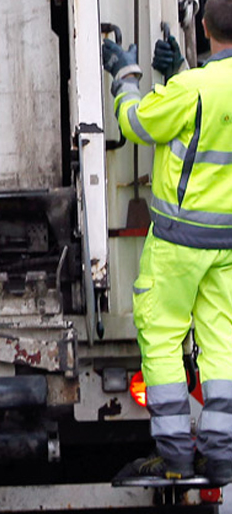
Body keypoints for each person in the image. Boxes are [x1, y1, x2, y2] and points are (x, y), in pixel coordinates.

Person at [103, 1, 232, 487]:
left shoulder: (190, 89)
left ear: (203, 27)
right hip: (228, 244)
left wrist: (125, 77)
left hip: (179, 242)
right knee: (222, 345)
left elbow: (137, 123)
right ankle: (220, 456)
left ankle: (176, 456)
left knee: (161, 336)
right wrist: (177, 69)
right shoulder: (192, 84)